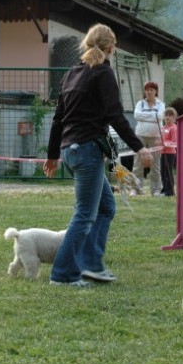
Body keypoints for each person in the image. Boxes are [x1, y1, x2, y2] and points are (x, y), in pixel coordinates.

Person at [43, 23, 152, 288]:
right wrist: (139, 146)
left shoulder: (72, 73)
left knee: (106, 207)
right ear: (111, 47)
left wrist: (53, 154)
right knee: (84, 215)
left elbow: (58, 119)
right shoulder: (103, 72)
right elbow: (115, 115)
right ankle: (63, 275)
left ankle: (91, 265)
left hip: (71, 150)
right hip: (88, 150)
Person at [131, 81, 165, 197]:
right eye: (147, 90)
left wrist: (144, 116)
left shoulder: (161, 104)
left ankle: (155, 189)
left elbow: (160, 116)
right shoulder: (140, 103)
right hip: (140, 135)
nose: (149, 92)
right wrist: (152, 115)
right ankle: (136, 189)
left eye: (151, 89)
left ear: (156, 91)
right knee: (138, 163)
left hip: (156, 137)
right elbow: (136, 115)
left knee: (155, 164)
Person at [160, 107, 178, 197]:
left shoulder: (174, 128)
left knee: (168, 172)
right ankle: (164, 189)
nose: (167, 117)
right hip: (162, 153)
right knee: (162, 172)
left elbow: (175, 141)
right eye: (166, 115)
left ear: (173, 117)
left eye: (170, 115)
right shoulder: (162, 128)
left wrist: (165, 143)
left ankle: (170, 191)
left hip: (170, 153)